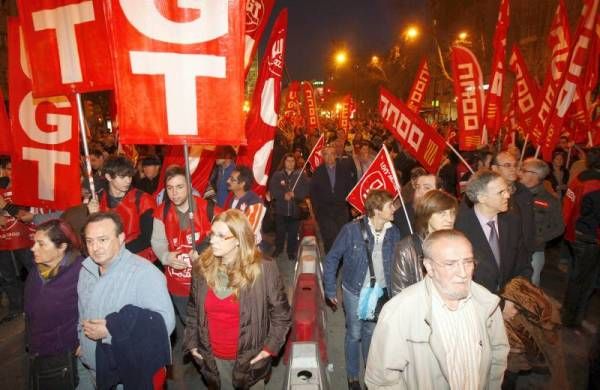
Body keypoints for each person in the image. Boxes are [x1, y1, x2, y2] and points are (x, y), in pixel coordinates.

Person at [365, 229, 509, 389]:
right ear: (429, 267)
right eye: (450, 264)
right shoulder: (400, 311)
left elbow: (499, 354)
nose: (463, 273)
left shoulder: (487, 303)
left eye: (468, 262)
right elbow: (382, 380)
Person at [183, 209, 291, 389]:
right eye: (212, 234)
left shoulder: (264, 268)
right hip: (213, 359)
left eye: (220, 235)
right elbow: (193, 310)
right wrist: (192, 344)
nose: (212, 240)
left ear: (238, 240)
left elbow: (282, 315)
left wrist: (269, 349)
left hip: (250, 359)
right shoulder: (201, 267)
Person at [77, 212, 175, 388]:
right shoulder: (86, 271)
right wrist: (81, 341)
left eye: (103, 240)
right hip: (92, 369)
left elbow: (164, 324)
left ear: (121, 238)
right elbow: (82, 311)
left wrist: (111, 331)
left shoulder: (144, 274)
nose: (95, 247)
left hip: (126, 375)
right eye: (90, 241)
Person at [323, 190, 401, 390]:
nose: (394, 209)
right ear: (376, 210)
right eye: (389, 206)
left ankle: (369, 372)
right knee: (355, 333)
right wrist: (330, 289)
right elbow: (332, 258)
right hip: (355, 291)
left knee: (371, 332)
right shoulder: (351, 230)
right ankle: (352, 376)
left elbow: (396, 264)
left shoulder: (394, 232)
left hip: (381, 292)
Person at [455, 169, 533, 298]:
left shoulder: (512, 221)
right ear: (482, 198)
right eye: (500, 192)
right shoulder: (460, 229)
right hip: (478, 306)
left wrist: (514, 298)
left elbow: (523, 265)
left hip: (510, 300)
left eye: (507, 190)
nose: (508, 195)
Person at [25, 220, 84, 389]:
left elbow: (95, 308)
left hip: (65, 356)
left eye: (41, 244)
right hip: (38, 353)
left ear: (62, 247)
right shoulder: (35, 272)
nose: (33, 248)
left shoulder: (81, 272)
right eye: (34, 242)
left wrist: (84, 341)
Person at [87, 155, 157, 261]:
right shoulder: (98, 200)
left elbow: (147, 238)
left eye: (129, 176)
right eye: (122, 177)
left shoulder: (143, 199)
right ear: (108, 177)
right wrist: (92, 216)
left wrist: (116, 252)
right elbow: (91, 236)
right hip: (106, 256)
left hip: (138, 257)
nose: (128, 181)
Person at [390, 189, 458, 297]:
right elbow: (399, 293)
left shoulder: (458, 244)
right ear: (427, 215)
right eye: (442, 213)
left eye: (452, 213)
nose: (449, 219)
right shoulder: (407, 248)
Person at [561, 146, 600, 328]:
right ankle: (572, 319)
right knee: (586, 280)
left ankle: (568, 314)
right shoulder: (596, 184)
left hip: (574, 234)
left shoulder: (580, 178)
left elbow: (568, 204)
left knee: (576, 276)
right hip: (590, 238)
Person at [518, 158, 564, 286]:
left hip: (534, 251)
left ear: (534, 175)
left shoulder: (550, 201)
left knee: (530, 286)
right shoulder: (512, 193)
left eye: (523, 170)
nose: (519, 172)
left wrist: (539, 239)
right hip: (511, 248)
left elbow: (559, 227)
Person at [0, 159, 35, 323]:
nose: (11, 172)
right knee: (7, 275)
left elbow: (23, 215)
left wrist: (5, 206)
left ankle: (34, 303)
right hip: (3, 239)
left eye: (14, 169)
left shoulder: (25, 188)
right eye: (7, 169)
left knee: (31, 270)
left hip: (23, 238)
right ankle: (16, 306)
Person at [310, 145, 357, 252]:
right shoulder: (318, 172)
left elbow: (350, 188)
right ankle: (331, 262)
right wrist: (316, 210)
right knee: (329, 236)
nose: (329, 157)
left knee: (341, 236)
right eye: (326, 154)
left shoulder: (344, 170)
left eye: (332, 154)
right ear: (323, 156)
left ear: (336, 155)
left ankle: (340, 260)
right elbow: (313, 192)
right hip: (324, 210)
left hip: (341, 209)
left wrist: (352, 206)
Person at [491, 151, 535, 255]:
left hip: (523, 254)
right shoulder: (485, 195)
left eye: (515, 165)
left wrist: (530, 246)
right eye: (507, 165)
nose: (513, 169)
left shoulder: (524, 192)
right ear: (494, 168)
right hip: (498, 254)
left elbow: (531, 223)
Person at [268, 153, 310, 261]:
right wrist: (283, 195)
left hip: (295, 210)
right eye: (288, 161)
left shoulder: (301, 175)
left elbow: (306, 189)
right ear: (284, 162)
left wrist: (295, 194)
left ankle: (291, 251)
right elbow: (273, 188)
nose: (290, 163)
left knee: (293, 232)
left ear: (295, 163)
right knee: (279, 231)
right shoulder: (278, 175)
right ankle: (278, 248)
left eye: (292, 161)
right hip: (280, 209)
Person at [224, 165, 266, 243]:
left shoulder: (255, 202)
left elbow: (249, 231)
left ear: (242, 184)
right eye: (229, 178)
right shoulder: (232, 197)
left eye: (232, 180)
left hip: (248, 247)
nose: (228, 181)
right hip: (232, 242)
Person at [393, 173, 443, 237]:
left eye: (427, 188)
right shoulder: (403, 214)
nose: (420, 191)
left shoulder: (447, 212)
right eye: (417, 187)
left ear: (439, 192)